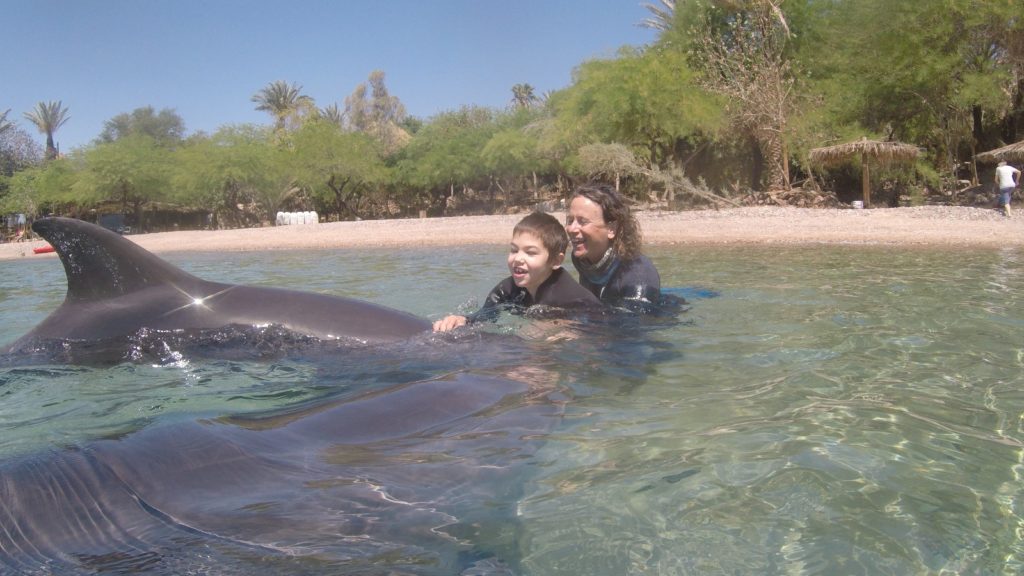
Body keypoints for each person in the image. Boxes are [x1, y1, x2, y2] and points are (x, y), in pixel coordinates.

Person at [433, 211, 600, 332]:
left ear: (556, 261)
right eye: (514, 250)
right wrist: (463, 320)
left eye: (530, 252)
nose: (518, 258)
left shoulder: (565, 296)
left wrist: (561, 326)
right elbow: (485, 317)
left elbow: (594, 326)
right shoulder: (508, 289)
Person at [565, 183, 661, 310]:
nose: (571, 228)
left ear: (611, 229)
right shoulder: (584, 260)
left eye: (583, 221)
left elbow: (633, 325)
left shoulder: (638, 276)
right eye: (570, 220)